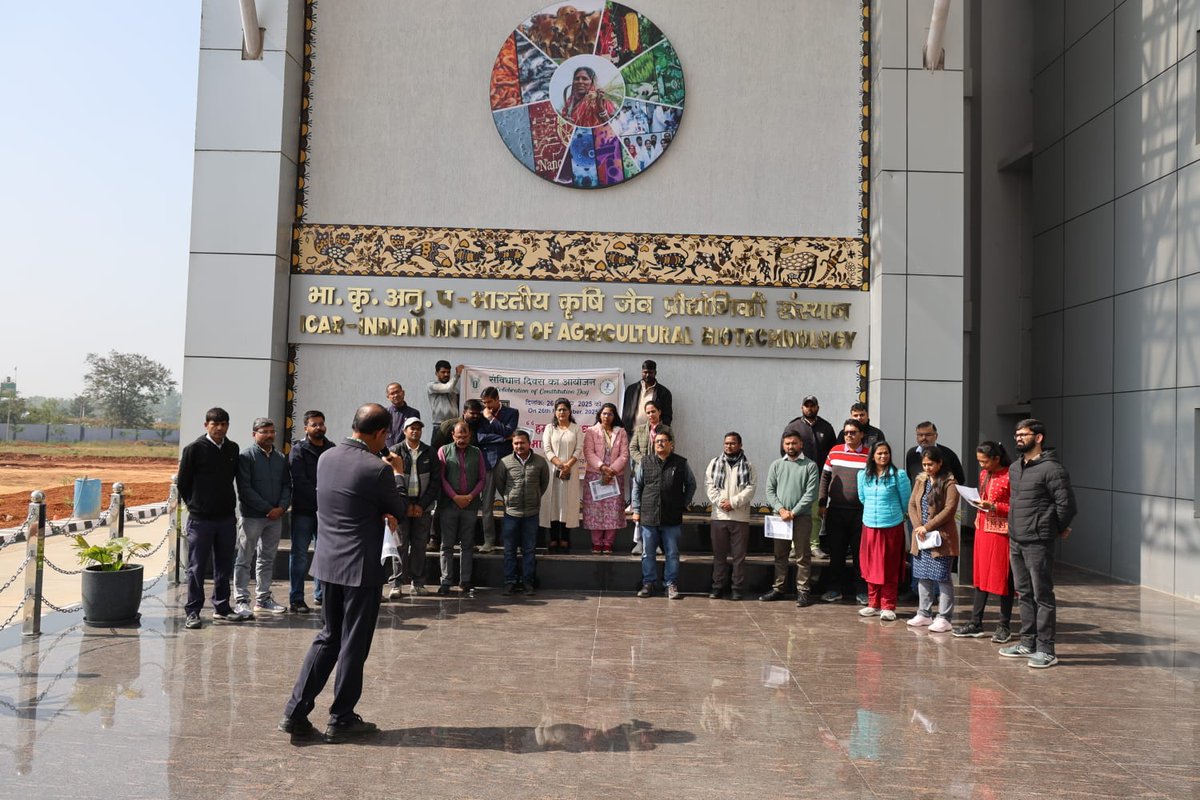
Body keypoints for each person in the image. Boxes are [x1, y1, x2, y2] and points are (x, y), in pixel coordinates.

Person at [279, 403, 406, 743]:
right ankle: (342, 717)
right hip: (361, 569)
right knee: (353, 643)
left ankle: (295, 712)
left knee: (327, 637)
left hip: (328, 563)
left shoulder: (327, 458)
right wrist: (398, 474)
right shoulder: (376, 469)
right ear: (380, 433)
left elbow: (350, 501)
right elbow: (399, 508)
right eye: (385, 437)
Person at [1000, 419, 1076, 669]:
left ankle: (1046, 649)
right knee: (1024, 594)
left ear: (1039, 437)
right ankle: (1027, 643)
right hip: (1016, 539)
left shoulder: (1052, 469)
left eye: (1024, 434)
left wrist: (1055, 528)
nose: (1018, 438)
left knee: (1042, 595)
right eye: (1016, 434)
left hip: (1037, 541)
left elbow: (1067, 505)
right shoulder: (1014, 468)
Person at [177, 407, 249, 629]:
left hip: (226, 518)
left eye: (224, 424)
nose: (219, 428)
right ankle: (193, 611)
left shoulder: (232, 448)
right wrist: (195, 505)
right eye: (214, 424)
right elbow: (183, 483)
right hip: (201, 520)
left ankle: (222, 606)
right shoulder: (194, 449)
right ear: (206, 425)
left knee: (224, 564)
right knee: (197, 566)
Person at [953, 441, 1014, 642]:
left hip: (1001, 533)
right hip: (982, 529)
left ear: (996, 458)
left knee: (1003, 579)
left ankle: (1004, 626)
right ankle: (975, 622)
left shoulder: (1010, 475)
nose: (981, 466)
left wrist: (994, 506)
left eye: (985, 461)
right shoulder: (983, 474)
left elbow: (1016, 505)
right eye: (979, 461)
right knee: (981, 579)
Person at [234, 417, 292, 617]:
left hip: (275, 518)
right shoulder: (246, 457)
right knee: (244, 558)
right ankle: (241, 600)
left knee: (267, 559)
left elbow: (287, 485)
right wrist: (268, 508)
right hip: (252, 517)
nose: (269, 435)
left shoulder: (280, 458)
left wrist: (282, 507)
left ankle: (263, 599)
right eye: (264, 432)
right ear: (254, 434)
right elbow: (245, 489)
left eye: (271, 431)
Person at [631, 430, 696, 600]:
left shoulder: (680, 463)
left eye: (664, 441)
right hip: (648, 515)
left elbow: (691, 484)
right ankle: (648, 583)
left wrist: (684, 503)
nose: (660, 444)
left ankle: (670, 584)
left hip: (672, 517)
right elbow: (637, 486)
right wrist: (636, 510)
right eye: (657, 441)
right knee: (648, 553)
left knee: (672, 553)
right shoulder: (645, 462)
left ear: (671, 444)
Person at [760, 432, 819, 606]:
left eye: (794, 443)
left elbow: (812, 493)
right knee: (780, 555)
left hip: (801, 518)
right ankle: (778, 588)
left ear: (801, 444)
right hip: (780, 518)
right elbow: (770, 490)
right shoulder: (777, 465)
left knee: (802, 556)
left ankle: (803, 591)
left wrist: (794, 512)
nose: (790, 447)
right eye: (787, 443)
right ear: (783, 445)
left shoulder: (810, 466)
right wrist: (781, 509)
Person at [906, 446, 960, 633]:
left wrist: (927, 527)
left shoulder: (949, 483)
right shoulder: (920, 480)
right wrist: (917, 526)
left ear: (939, 463)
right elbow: (912, 504)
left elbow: (949, 509)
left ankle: (944, 617)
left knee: (942, 577)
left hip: (941, 538)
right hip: (922, 537)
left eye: (930, 464)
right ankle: (924, 613)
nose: (927, 468)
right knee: (922, 576)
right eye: (924, 464)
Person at [856, 440, 911, 621]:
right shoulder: (863, 475)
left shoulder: (899, 475)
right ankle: (873, 603)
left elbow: (906, 502)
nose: (883, 456)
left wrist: (894, 515)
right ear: (872, 455)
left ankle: (888, 605)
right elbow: (863, 498)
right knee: (871, 565)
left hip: (891, 527)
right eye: (879, 453)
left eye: (886, 453)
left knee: (889, 566)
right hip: (870, 525)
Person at [386, 417, 440, 599]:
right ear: (404, 431)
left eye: (418, 428)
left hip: (422, 507)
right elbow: (390, 482)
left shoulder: (430, 452)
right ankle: (396, 584)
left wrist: (421, 505)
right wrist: (405, 505)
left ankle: (417, 583)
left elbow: (435, 482)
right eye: (411, 428)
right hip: (401, 506)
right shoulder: (395, 451)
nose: (415, 431)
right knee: (400, 545)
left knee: (419, 546)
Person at [818, 419, 870, 604]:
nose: (849, 435)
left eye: (853, 432)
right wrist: (822, 502)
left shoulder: (869, 454)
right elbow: (824, 477)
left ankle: (862, 591)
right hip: (836, 512)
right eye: (847, 432)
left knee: (859, 555)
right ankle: (834, 589)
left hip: (861, 513)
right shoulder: (835, 451)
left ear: (862, 434)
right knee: (837, 553)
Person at [288, 410, 335, 613]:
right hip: (304, 511)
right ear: (306, 428)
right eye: (314, 424)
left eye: (321, 424)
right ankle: (296, 598)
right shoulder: (298, 450)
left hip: (326, 513)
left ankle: (321, 595)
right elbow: (299, 481)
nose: (319, 428)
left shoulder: (332, 449)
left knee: (324, 554)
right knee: (299, 555)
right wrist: (321, 496)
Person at [494, 429, 551, 595]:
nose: (519, 446)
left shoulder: (540, 462)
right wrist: (509, 499)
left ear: (530, 443)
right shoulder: (504, 462)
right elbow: (500, 484)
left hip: (531, 513)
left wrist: (534, 497)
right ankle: (509, 582)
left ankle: (528, 582)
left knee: (529, 550)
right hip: (511, 513)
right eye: (516, 443)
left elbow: (544, 484)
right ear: (512, 444)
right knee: (509, 550)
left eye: (522, 443)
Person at [781, 394, 837, 555]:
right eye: (807, 405)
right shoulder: (793, 426)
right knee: (795, 512)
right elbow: (784, 450)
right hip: (797, 477)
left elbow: (832, 453)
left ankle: (814, 545)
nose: (809, 408)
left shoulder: (826, 427)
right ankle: (794, 546)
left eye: (812, 405)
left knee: (815, 513)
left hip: (819, 477)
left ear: (817, 407)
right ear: (802, 408)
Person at [704, 432, 757, 601]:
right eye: (726, 443)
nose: (729, 446)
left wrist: (733, 502)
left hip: (740, 517)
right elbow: (709, 485)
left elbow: (751, 489)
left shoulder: (748, 465)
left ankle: (737, 588)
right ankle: (717, 587)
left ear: (740, 445)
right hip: (719, 516)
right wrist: (721, 502)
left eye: (733, 443)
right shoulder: (714, 463)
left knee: (738, 557)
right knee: (719, 556)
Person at [437, 420, 487, 597]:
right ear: (453, 435)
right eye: (459, 436)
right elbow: (441, 478)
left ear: (470, 436)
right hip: (449, 505)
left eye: (465, 436)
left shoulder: (477, 452)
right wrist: (455, 497)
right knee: (447, 545)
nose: (462, 439)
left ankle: (465, 581)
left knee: (467, 545)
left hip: (470, 505)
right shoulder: (443, 451)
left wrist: (470, 496)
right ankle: (445, 581)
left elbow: (482, 479)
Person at [477, 386, 520, 553]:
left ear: (497, 399)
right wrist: (503, 437)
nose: (486, 406)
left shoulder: (512, 413)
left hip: (506, 464)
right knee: (486, 506)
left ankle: (511, 541)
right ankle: (489, 541)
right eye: (484, 403)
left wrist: (493, 421)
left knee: (510, 503)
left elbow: (510, 431)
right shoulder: (482, 414)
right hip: (487, 464)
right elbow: (480, 438)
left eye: (489, 402)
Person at [582, 402, 629, 554]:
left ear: (614, 416)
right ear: (599, 415)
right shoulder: (591, 431)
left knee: (612, 510)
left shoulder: (621, 432)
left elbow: (624, 455)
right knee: (595, 510)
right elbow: (588, 452)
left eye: (610, 414)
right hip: (595, 475)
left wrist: (612, 470)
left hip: (615, 476)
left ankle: (608, 543)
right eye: (604, 413)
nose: (606, 416)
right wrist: (603, 468)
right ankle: (596, 543)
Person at [627, 399, 672, 555]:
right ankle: (639, 542)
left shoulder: (667, 429)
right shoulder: (639, 430)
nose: (651, 414)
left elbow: (671, 449)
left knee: (658, 508)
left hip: (660, 473)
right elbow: (632, 448)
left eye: (653, 411)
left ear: (659, 412)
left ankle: (656, 543)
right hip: (642, 471)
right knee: (640, 507)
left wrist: (657, 463)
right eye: (648, 412)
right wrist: (644, 462)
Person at [541, 398, 583, 552]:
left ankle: (565, 538)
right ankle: (553, 538)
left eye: (565, 409)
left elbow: (579, 449)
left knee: (568, 504)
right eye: (559, 409)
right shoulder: (549, 428)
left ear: (570, 411)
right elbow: (547, 449)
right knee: (553, 503)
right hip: (553, 471)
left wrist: (568, 466)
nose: (562, 412)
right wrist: (559, 464)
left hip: (570, 471)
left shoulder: (576, 428)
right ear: (555, 412)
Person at [621, 359, 673, 434]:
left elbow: (667, 417)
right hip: (630, 433)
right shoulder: (631, 389)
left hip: (652, 435)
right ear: (641, 372)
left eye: (650, 372)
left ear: (655, 373)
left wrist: (661, 433)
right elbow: (624, 409)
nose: (647, 375)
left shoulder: (663, 393)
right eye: (645, 372)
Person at [384, 382, 421, 449]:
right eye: (392, 393)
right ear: (388, 397)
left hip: (406, 451)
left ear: (403, 393)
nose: (395, 395)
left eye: (397, 392)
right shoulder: (384, 413)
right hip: (388, 452)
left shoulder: (413, 413)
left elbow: (414, 435)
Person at [427, 360, 463, 426]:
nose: (446, 374)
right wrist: (457, 374)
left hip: (454, 424)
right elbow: (447, 388)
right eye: (443, 372)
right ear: (436, 373)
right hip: (439, 425)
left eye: (448, 372)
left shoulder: (454, 389)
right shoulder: (431, 386)